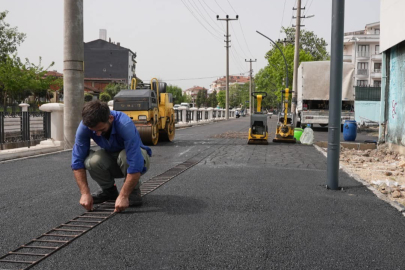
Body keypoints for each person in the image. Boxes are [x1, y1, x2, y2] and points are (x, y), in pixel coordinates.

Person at [71, 100, 151, 213]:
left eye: (101, 130)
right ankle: (109, 191)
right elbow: (77, 161)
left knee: (125, 156)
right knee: (92, 161)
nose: (98, 134)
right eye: (94, 132)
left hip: (137, 159)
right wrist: (85, 193)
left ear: (110, 119)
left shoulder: (125, 124)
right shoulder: (84, 126)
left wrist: (123, 196)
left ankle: (133, 192)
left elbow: (135, 163)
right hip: (112, 157)